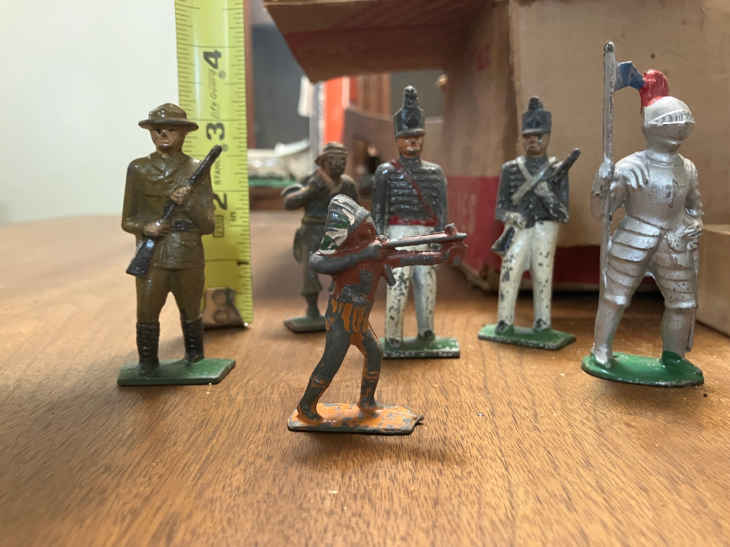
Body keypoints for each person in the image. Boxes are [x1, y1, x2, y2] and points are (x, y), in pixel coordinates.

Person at [293, 195, 464, 430]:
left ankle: (367, 400)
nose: (374, 236)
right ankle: (306, 406)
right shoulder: (348, 255)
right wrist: (362, 255)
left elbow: (409, 257)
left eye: (373, 230)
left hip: (359, 319)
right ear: (353, 237)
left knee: (374, 352)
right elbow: (316, 261)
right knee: (331, 363)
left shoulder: (377, 255)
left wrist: (443, 255)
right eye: (367, 233)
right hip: (342, 317)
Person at [588, 70, 703, 383]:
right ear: (652, 127)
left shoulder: (688, 168)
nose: (677, 131)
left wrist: (694, 224)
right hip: (634, 236)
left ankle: (674, 356)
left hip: (675, 241)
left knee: (683, 304)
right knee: (615, 297)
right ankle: (601, 349)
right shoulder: (629, 166)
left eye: (681, 126)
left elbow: (694, 206)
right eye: (671, 125)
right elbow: (602, 212)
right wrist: (602, 182)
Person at [122, 103, 215, 371]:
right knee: (147, 313)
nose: (162, 134)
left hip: (188, 253)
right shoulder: (139, 169)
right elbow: (127, 220)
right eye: (157, 129)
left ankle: (195, 359)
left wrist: (189, 202)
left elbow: (208, 224)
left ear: (184, 133)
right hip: (152, 255)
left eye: (170, 129)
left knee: (191, 311)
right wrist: (147, 227)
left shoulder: (196, 169)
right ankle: (147, 363)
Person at [372, 85, 454, 358]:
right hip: (397, 234)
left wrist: (441, 237)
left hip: (428, 235)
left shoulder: (435, 173)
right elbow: (379, 210)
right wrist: (380, 237)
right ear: (397, 139)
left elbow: (441, 210)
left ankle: (427, 332)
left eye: (417, 137)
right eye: (407, 137)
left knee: (426, 282)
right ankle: (393, 336)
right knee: (397, 284)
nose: (413, 142)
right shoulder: (385, 173)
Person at [492, 97, 571, 335]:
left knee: (543, 275)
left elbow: (563, 214)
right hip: (517, 228)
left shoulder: (557, 170)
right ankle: (504, 321)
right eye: (528, 136)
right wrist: (512, 216)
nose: (533, 141)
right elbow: (500, 208)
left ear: (547, 136)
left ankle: (542, 322)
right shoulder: (510, 169)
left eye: (538, 136)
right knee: (509, 272)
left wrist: (547, 195)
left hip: (545, 229)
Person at [282, 142, 359, 332]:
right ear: (323, 162)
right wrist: (310, 190)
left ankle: (337, 310)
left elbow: (356, 209)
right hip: (312, 230)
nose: (338, 165)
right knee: (309, 270)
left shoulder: (347, 184)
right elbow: (289, 203)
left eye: (342, 161)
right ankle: (312, 310)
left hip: (337, 232)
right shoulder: (311, 181)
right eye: (333, 160)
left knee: (342, 270)